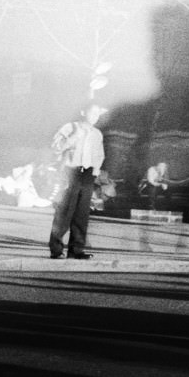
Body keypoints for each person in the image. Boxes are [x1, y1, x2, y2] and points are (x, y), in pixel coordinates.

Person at [47, 104, 106, 260]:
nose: (95, 116)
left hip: (87, 174)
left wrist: (95, 171)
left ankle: (76, 250)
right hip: (70, 171)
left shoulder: (97, 134)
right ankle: (56, 249)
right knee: (64, 212)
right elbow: (56, 147)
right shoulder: (71, 127)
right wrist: (74, 136)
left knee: (81, 214)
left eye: (98, 114)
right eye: (92, 112)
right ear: (83, 112)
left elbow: (99, 154)